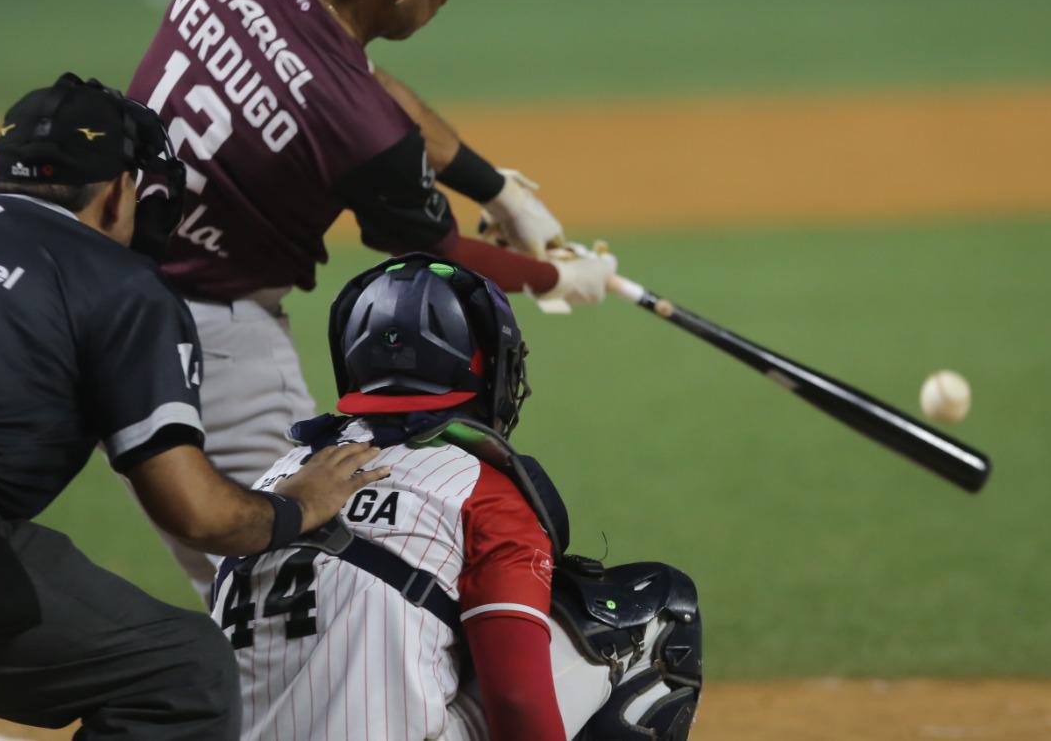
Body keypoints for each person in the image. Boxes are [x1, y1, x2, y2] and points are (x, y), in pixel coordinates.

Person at [0, 74, 388, 741]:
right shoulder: (118, 281)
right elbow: (194, 513)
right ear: (119, 192)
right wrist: (296, 505)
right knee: (184, 674)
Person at [127, 0, 618, 593]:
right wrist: (559, 276)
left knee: (236, 582)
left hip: (95, 290)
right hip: (209, 340)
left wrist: (497, 192)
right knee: (300, 586)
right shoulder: (361, 133)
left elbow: (353, 75)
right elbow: (443, 253)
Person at [211, 254, 702, 741]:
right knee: (649, 608)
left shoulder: (274, 484)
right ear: (494, 371)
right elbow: (518, 702)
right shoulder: (481, 492)